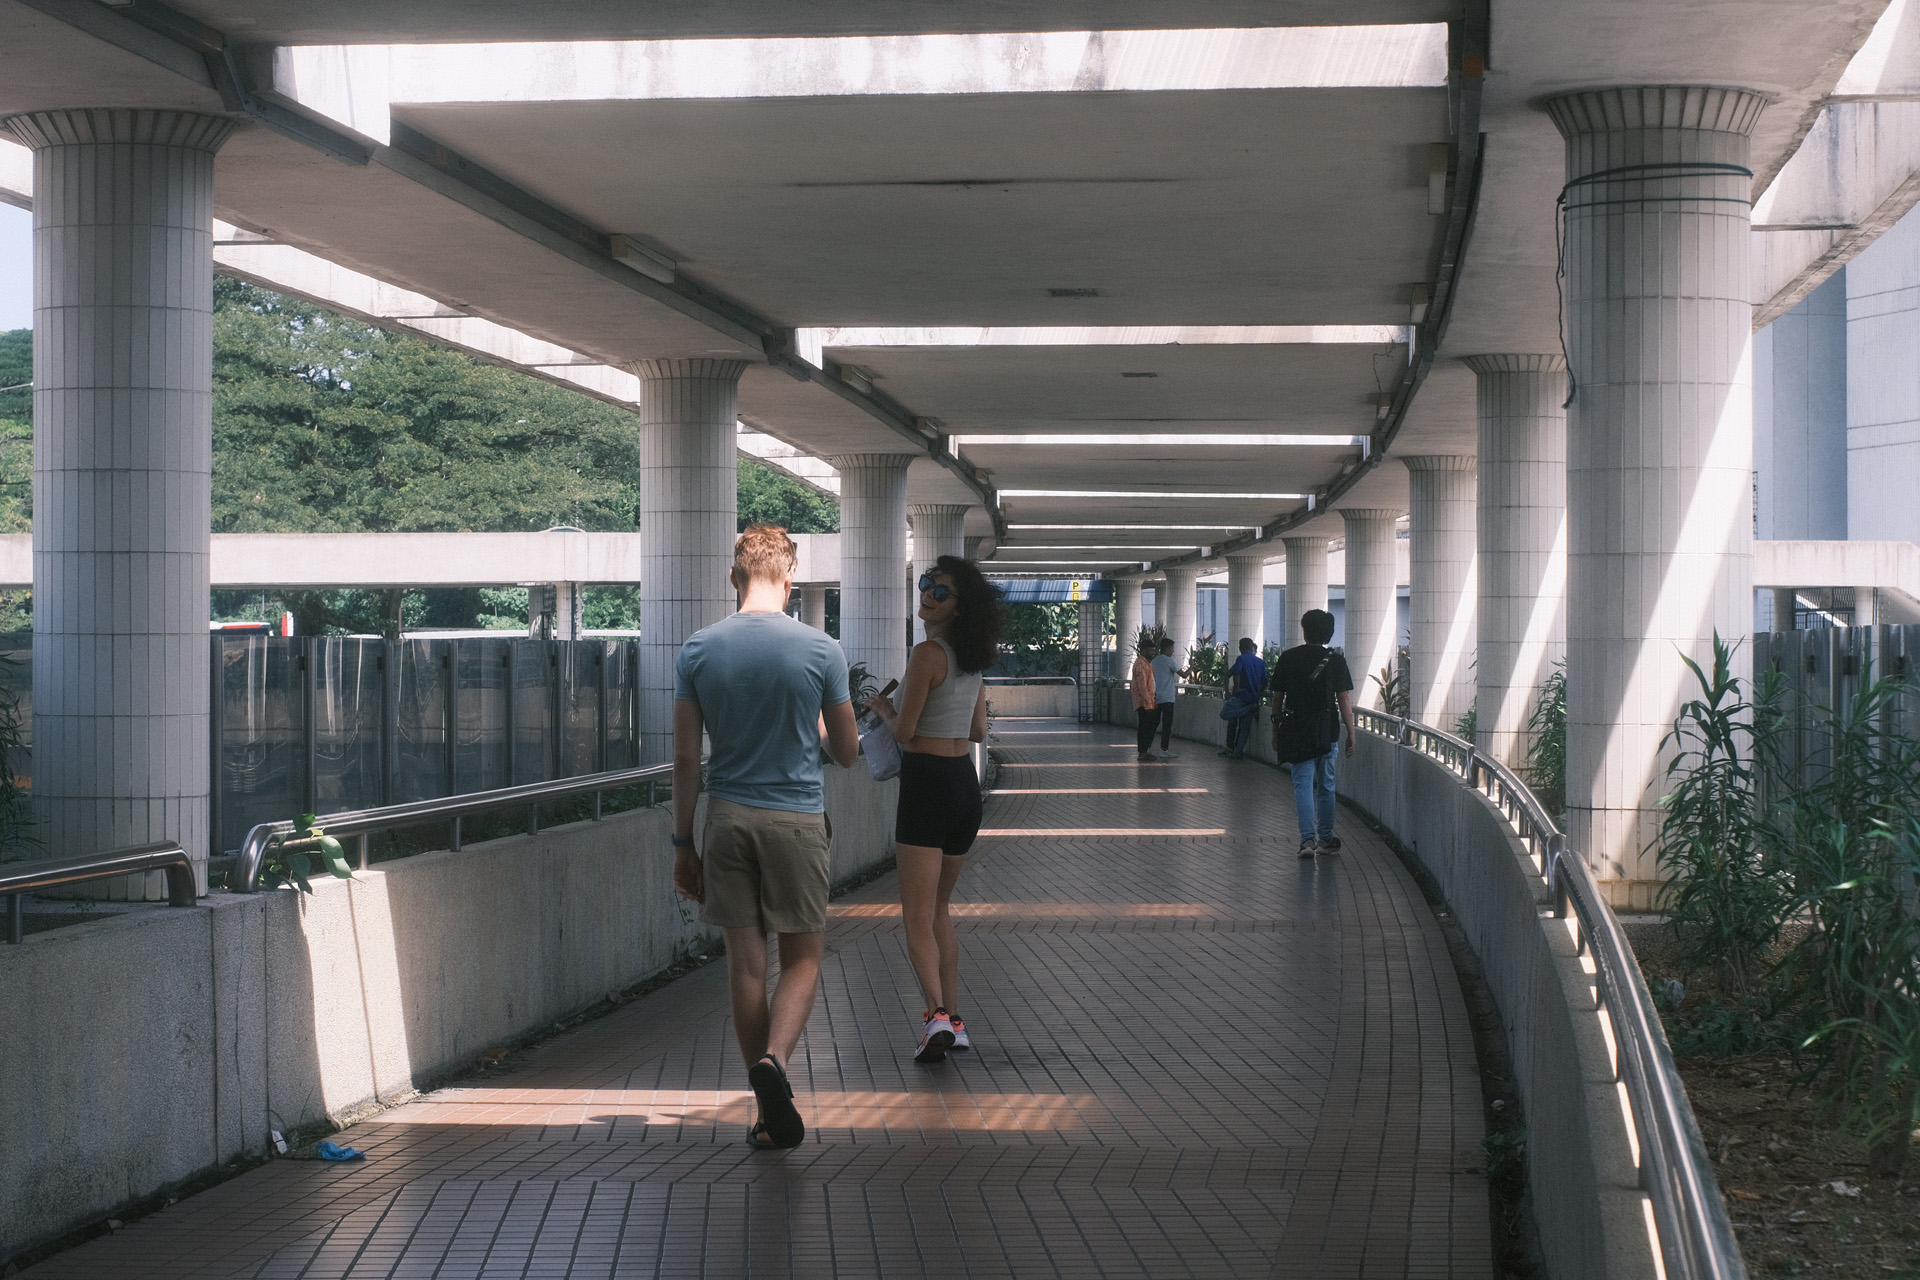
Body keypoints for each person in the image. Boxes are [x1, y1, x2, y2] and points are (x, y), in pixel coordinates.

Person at [671, 524, 861, 1150]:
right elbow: (849, 754)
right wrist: (810, 721)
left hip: (726, 819)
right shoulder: (821, 651)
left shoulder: (698, 650)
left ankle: (763, 1109)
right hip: (797, 821)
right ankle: (775, 1061)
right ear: (790, 577)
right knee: (803, 957)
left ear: (735, 577)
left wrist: (682, 843)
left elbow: (686, 761)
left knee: (745, 967)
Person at [863, 556, 1000, 1063]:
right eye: (925, 585)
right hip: (965, 786)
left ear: (960, 607)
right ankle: (955, 1019)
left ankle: (935, 1017)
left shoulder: (926, 654)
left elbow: (903, 732)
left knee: (916, 916)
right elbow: (979, 732)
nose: (927, 596)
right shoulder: (973, 658)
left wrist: (883, 709)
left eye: (940, 592)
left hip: (926, 787)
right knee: (941, 910)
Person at [1270, 609, 1357, 858]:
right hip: (1326, 731)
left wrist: (1275, 731)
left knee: (1302, 785)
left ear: (1304, 630)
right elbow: (1343, 699)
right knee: (1326, 785)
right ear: (1328, 633)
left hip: (1296, 730)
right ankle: (1326, 838)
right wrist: (1351, 733)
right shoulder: (1336, 660)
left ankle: (1307, 841)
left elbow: (1277, 699)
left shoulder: (1288, 658)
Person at [1219, 637, 1267, 759]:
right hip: (1254, 697)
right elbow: (1265, 681)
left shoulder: (1241, 659)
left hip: (1242, 697)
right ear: (1252, 648)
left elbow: (1236, 672)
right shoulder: (1260, 662)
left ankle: (1249, 708)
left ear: (1240, 648)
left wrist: (1235, 688)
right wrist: (1257, 691)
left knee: (1224, 713)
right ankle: (1237, 752)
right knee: (1245, 727)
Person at [1148, 637, 1182, 759]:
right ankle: (1164, 750)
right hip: (1168, 698)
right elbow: (1183, 674)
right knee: (1167, 725)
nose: (1173, 651)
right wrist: (1192, 667)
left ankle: (1147, 748)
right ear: (1166, 649)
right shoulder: (1169, 661)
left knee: (1154, 724)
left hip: (1156, 697)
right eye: (1172, 648)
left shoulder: (1154, 661)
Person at [1131, 634, 1160, 762]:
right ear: (1143, 650)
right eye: (1151, 650)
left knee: (1149, 727)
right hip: (1144, 703)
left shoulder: (1147, 664)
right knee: (1144, 727)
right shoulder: (1140, 664)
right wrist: (1148, 703)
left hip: (1149, 702)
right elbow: (1142, 686)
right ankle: (1142, 752)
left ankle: (1145, 751)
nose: (1153, 653)